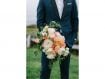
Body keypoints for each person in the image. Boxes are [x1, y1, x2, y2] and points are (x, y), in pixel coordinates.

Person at [37, 0, 78, 79]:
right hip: (48, 42)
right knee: (45, 71)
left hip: (67, 41)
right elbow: (40, 22)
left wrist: (73, 38)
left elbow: (74, 19)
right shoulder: (43, 1)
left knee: (65, 72)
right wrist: (46, 36)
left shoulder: (72, 1)